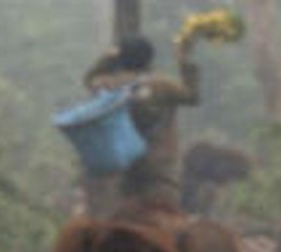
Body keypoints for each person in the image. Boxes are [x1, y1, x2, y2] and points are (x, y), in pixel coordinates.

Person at [82, 34, 200, 225]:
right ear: (149, 59)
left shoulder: (108, 85)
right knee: (174, 225)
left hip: (122, 170)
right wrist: (184, 60)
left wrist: (108, 58)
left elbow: (89, 79)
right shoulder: (162, 85)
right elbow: (192, 96)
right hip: (159, 172)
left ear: (119, 58)